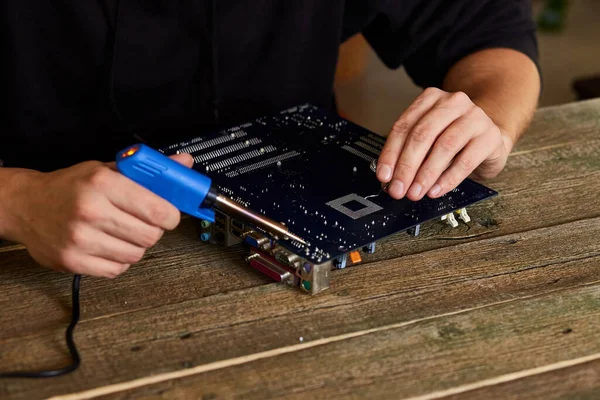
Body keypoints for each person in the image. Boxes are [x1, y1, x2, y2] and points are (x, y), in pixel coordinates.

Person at [0, 1, 541, 278]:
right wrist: (19, 202)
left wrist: (488, 116)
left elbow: (490, 35)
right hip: (44, 264)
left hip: (300, 219)